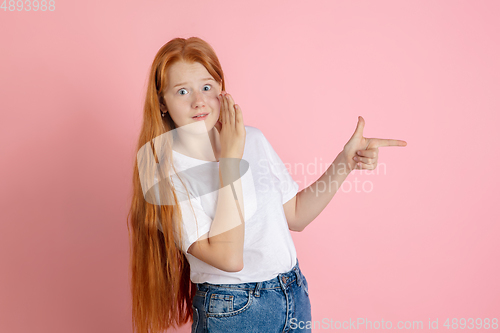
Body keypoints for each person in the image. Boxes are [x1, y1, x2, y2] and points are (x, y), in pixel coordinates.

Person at [127, 36, 407, 333]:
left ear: (221, 89)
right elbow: (228, 258)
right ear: (162, 102)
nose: (199, 101)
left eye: (207, 87)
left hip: (292, 293)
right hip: (233, 310)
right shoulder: (165, 174)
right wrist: (231, 161)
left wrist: (344, 163)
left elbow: (295, 215)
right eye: (182, 91)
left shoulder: (253, 139)